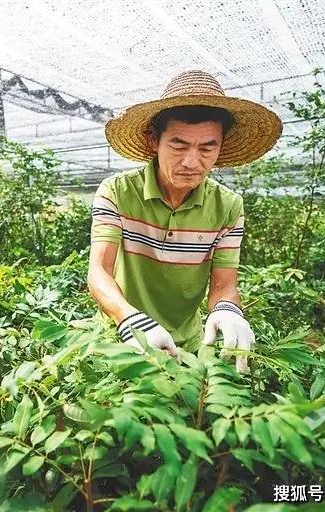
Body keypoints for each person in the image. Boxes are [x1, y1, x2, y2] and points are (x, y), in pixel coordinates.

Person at [88, 70, 282, 373]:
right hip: (123, 338)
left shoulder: (228, 206)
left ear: (221, 146)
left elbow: (224, 284)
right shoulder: (117, 193)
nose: (192, 162)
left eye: (207, 148)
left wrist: (228, 310)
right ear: (153, 140)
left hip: (189, 347)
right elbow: (99, 270)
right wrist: (129, 319)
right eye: (179, 145)